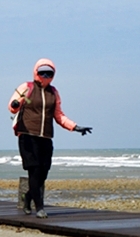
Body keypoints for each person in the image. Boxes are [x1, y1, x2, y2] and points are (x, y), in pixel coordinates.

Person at [8, 58, 91, 218]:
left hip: (45, 137)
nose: (45, 76)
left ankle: (28, 197)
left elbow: (59, 115)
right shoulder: (27, 87)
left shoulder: (53, 92)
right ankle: (39, 207)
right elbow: (12, 105)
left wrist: (75, 127)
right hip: (28, 136)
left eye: (49, 73)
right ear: (36, 72)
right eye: (42, 72)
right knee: (34, 170)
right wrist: (16, 104)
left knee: (43, 173)